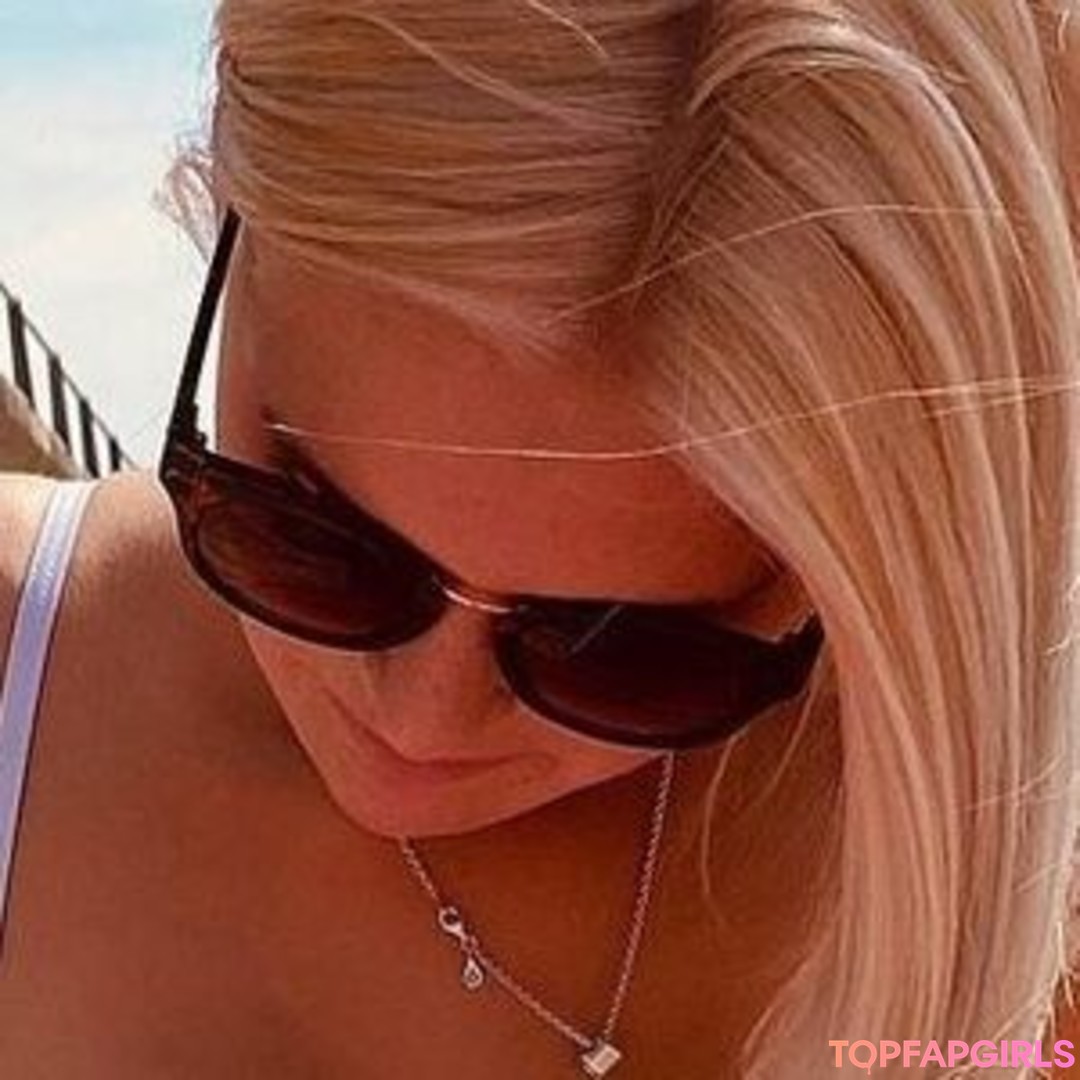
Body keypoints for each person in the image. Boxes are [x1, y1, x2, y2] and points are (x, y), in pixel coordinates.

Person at [2, 1, 1079, 1076]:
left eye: (619, 650)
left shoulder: (1032, 884)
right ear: (227, 218)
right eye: (310, 540)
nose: (419, 722)